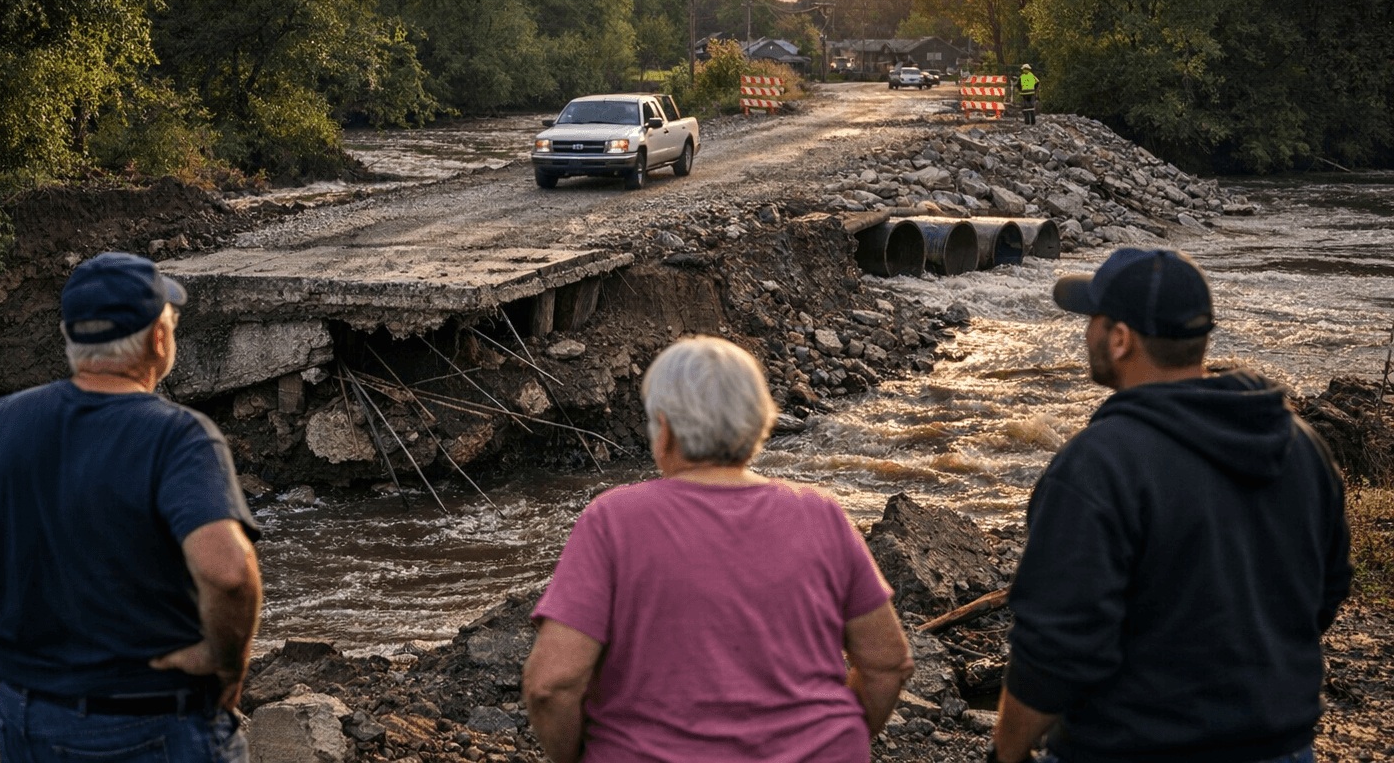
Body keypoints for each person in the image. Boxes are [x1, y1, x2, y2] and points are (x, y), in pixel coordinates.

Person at [0, 252, 262, 763]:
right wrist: (225, 661)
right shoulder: (179, 436)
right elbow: (227, 572)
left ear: (71, 338)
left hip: (28, 715)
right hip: (154, 718)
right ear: (159, 338)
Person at [991, 248, 1352, 763]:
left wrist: (1005, 753)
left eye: (1093, 317)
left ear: (1120, 339)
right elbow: (1328, 587)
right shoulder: (1302, 444)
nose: (1086, 330)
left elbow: (1055, 651)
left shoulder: (1098, 465)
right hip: (1282, 746)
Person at [523, 335, 915, 763]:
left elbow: (552, 685)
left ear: (665, 429)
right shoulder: (820, 513)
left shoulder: (613, 519)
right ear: (758, 422)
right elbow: (887, 664)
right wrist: (831, 741)